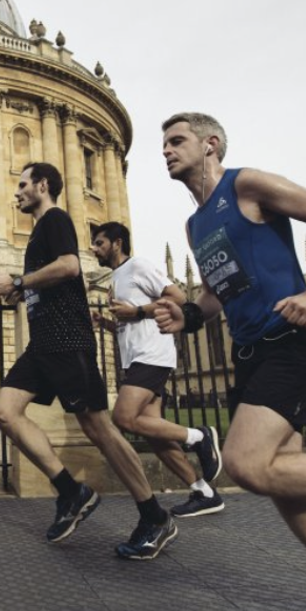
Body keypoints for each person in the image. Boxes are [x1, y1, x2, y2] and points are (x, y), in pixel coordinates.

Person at [155, 112, 306, 611]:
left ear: (210, 145)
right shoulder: (195, 225)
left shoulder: (247, 185)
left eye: (177, 140)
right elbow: (217, 293)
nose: (165, 150)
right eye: (163, 144)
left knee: (247, 465)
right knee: (291, 497)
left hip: (293, 337)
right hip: (251, 352)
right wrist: (187, 316)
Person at [0, 162, 177, 561]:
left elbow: (71, 266)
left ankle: (154, 515)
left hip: (68, 340)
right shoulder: (39, 231)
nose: (17, 191)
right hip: (42, 344)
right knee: (5, 412)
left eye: (22, 184)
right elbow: (54, 280)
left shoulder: (55, 218)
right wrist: (23, 294)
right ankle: (72, 492)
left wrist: (20, 282)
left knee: (99, 429)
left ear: (42, 185)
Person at [91, 221, 224, 517]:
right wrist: (109, 323)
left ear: (116, 243)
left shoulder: (138, 265)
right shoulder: (117, 278)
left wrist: (137, 310)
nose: (94, 248)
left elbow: (178, 298)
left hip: (152, 354)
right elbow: (132, 324)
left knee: (123, 417)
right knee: (156, 436)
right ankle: (204, 492)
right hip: (137, 356)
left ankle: (199, 436)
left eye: (99, 242)